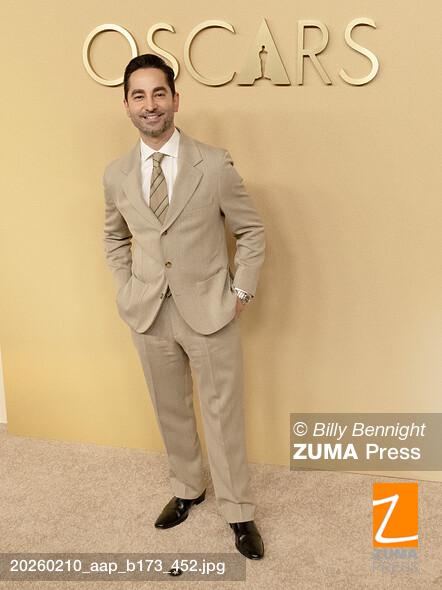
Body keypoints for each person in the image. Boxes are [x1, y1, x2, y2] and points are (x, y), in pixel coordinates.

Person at [102, 54, 266, 560]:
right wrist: (126, 288)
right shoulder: (116, 174)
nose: (149, 104)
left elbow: (251, 231)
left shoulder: (213, 164)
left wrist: (241, 293)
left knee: (222, 414)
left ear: (175, 99)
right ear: (127, 104)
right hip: (148, 313)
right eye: (138, 95)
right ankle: (188, 487)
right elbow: (114, 238)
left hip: (210, 310)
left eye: (158, 93)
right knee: (169, 408)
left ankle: (238, 510)